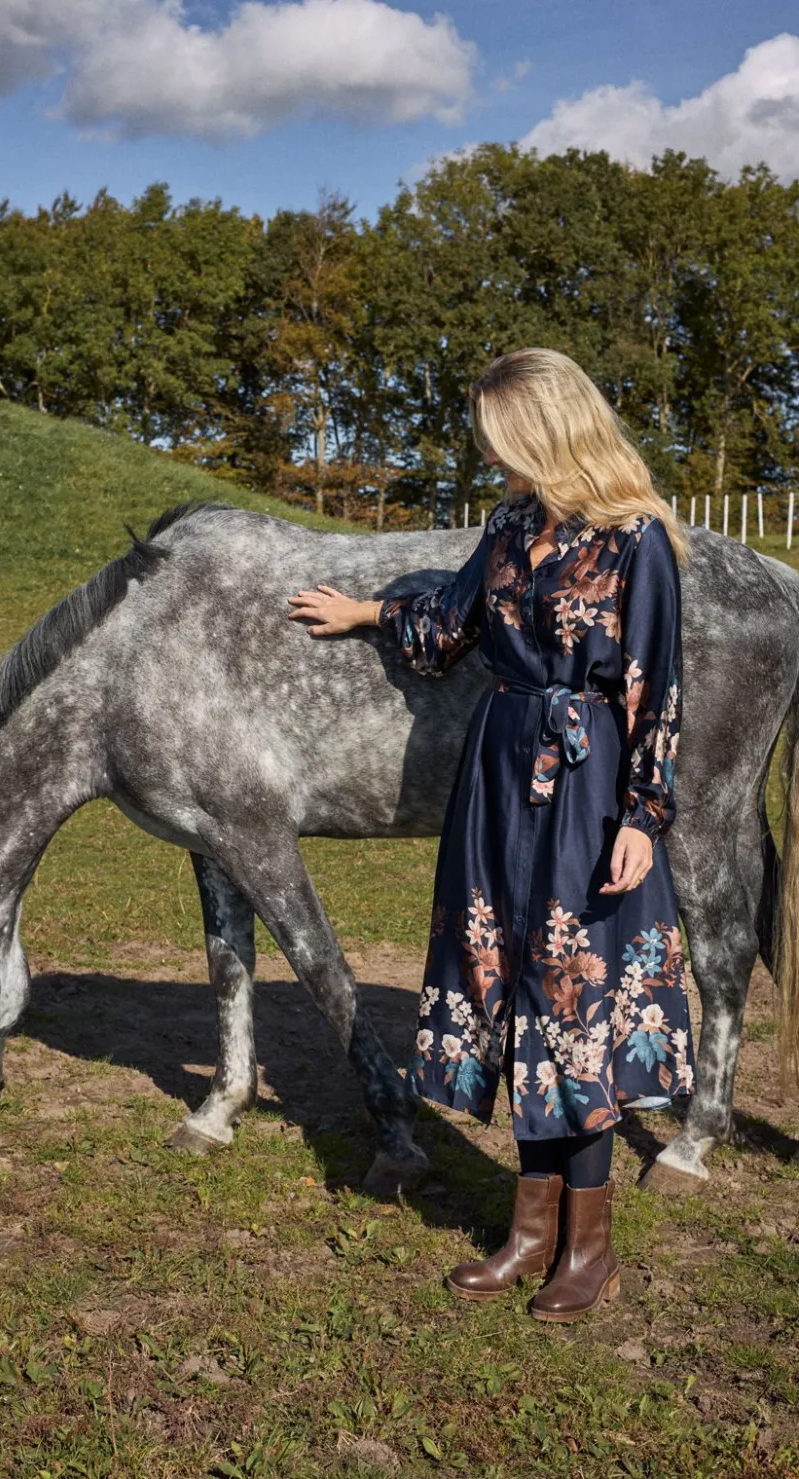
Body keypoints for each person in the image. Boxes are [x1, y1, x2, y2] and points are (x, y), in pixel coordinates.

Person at [287, 347, 695, 1323]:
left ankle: (587, 1250)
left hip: (588, 782)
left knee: (572, 1000)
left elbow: (658, 685)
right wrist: (365, 612)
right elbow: (448, 625)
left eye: (501, 437)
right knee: (509, 985)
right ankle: (527, 1232)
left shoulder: (635, 537)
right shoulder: (508, 526)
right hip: (498, 775)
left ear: (547, 430)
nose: (491, 455)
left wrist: (642, 815)